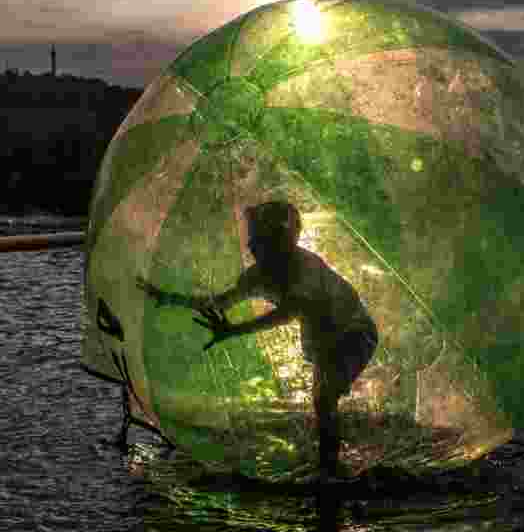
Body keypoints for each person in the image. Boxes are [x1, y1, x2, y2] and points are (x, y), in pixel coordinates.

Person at [137, 201, 378, 482]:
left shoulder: (305, 266)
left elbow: (289, 312)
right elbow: (218, 303)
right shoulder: (257, 275)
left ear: (281, 239)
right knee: (323, 403)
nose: (251, 246)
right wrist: (167, 298)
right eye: (251, 239)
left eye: (258, 239)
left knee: (323, 400)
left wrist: (233, 331)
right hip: (323, 339)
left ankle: (332, 475)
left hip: (354, 333)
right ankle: (331, 463)